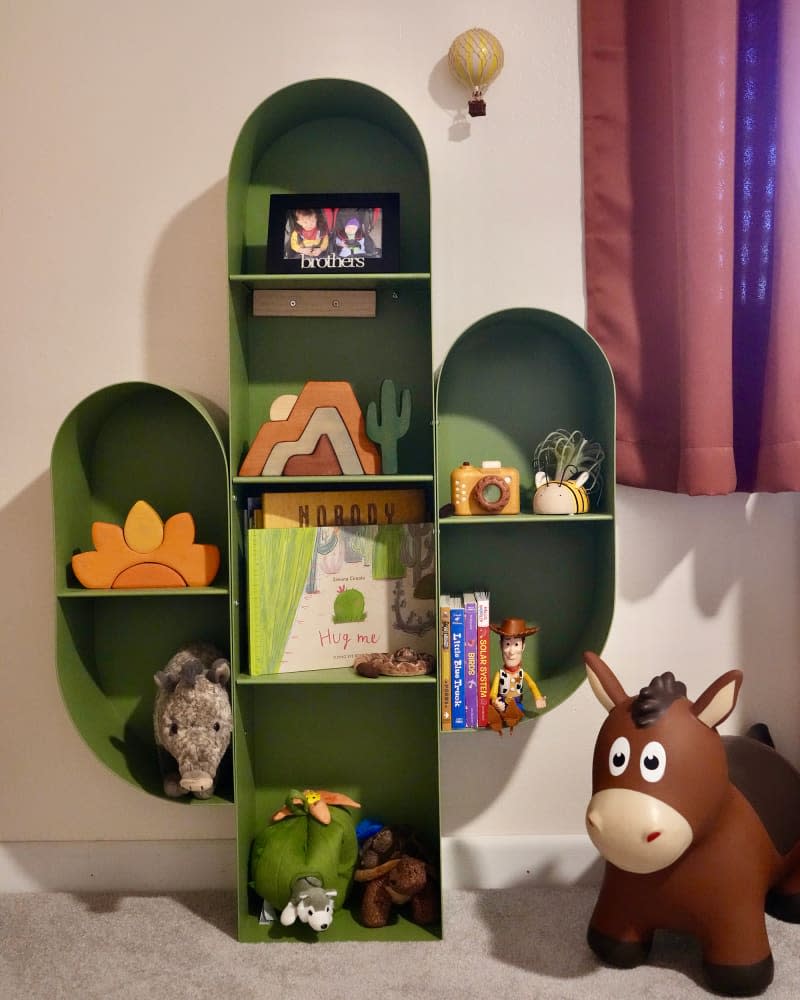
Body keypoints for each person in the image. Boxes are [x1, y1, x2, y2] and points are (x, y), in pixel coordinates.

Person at [486, 617, 546, 734]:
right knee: (495, 711)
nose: (511, 651)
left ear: (523, 646)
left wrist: (538, 698)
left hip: (516, 702)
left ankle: (509, 717)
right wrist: (495, 701)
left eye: (516, 644)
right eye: (507, 644)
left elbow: (532, 685)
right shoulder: (500, 674)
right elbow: (493, 693)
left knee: (516, 711)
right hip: (502, 701)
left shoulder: (522, 673)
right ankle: (497, 718)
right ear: (501, 646)